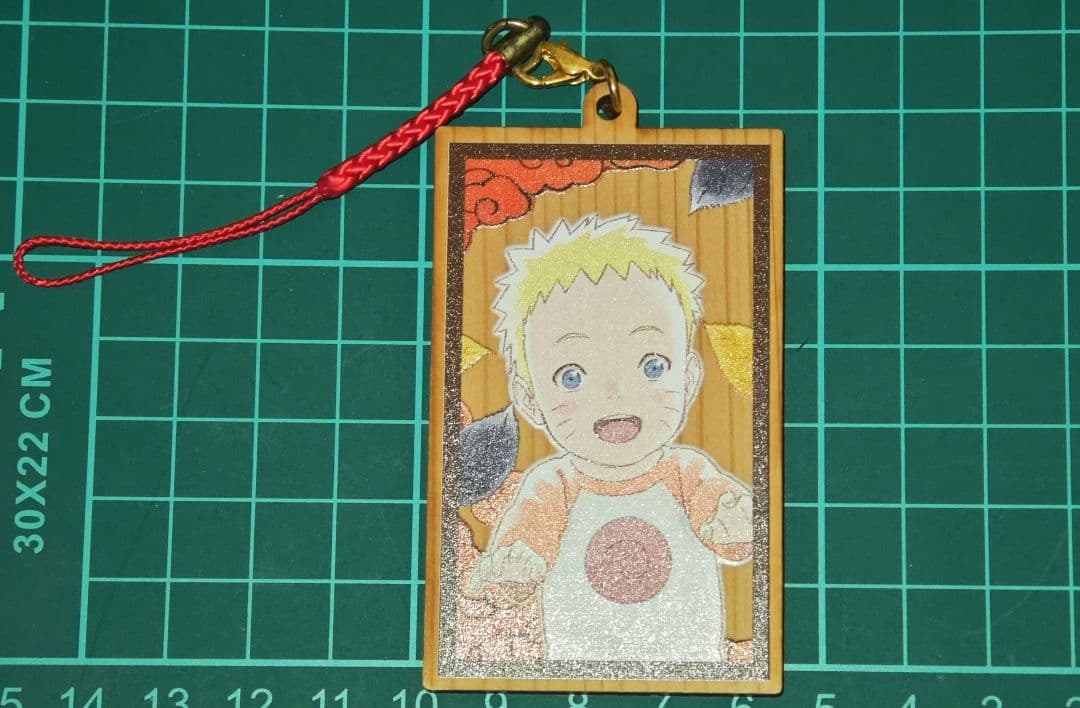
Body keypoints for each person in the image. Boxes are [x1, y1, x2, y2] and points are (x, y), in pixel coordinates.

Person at [467, 214, 753, 662]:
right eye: (572, 376)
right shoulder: (553, 486)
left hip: (690, 654)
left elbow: (731, 535)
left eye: (652, 366)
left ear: (689, 378)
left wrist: (736, 525)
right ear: (530, 400)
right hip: (578, 656)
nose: (615, 394)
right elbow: (522, 557)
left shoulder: (688, 474)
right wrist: (514, 568)